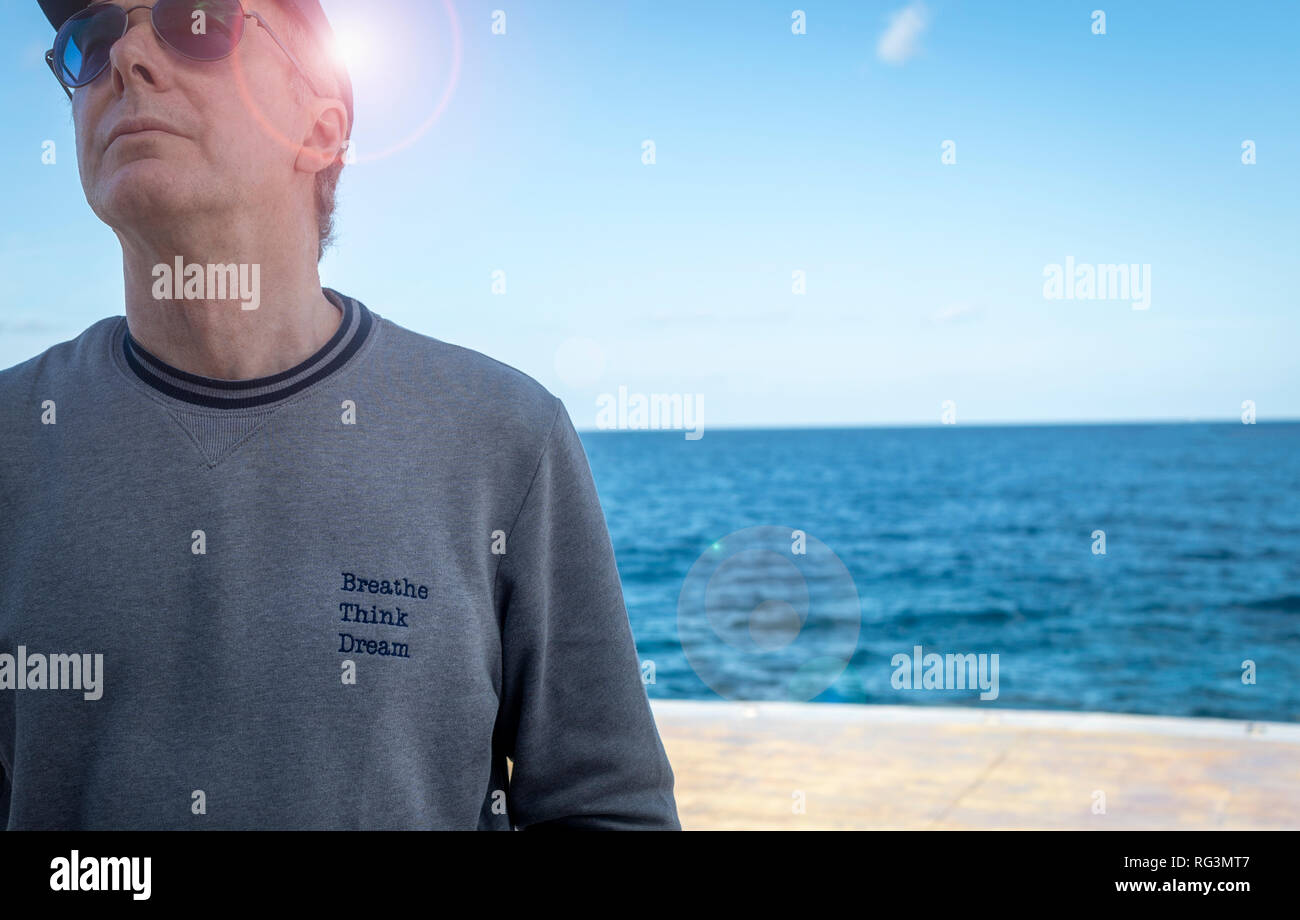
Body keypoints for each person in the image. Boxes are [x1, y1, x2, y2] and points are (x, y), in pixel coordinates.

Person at [0, 0, 680, 830]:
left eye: (197, 21)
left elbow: (604, 805)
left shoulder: (505, 438)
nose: (128, 57)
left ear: (319, 133)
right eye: (90, 40)